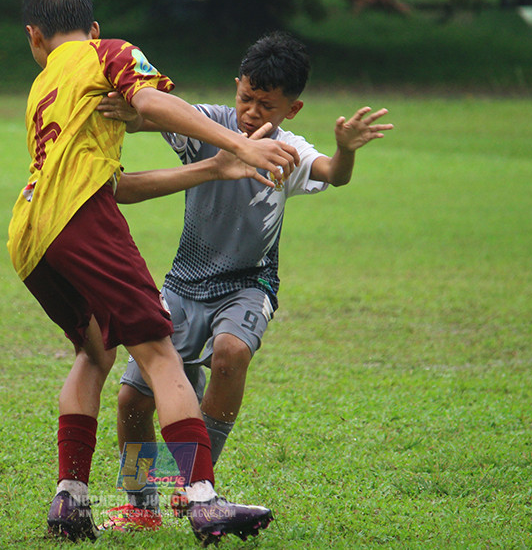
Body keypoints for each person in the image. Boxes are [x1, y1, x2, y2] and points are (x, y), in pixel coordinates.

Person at [7, 0, 298, 543]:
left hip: (30, 233)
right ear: (92, 29)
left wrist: (214, 167)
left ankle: (71, 499)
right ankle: (202, 499)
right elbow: (150, 101)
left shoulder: (44, 88)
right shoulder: (106, 52)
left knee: (95, 354)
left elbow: (114, 182)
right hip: (84, 224)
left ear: (34, 37)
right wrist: (237, 146)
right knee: (161, 360)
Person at [95, 31, 392, 530]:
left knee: (232, 353)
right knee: (130, 400)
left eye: (266, 105)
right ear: (237, 87)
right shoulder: (209, 125)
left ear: (292, 109)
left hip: (248, 284)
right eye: (246, 98)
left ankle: (195, 484)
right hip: (183, 284)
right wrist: (133, 116)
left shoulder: (287, 151)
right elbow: (154, 114)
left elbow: (333, 173)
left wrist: (345, 151)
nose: (252, 112)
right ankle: (140, 502)